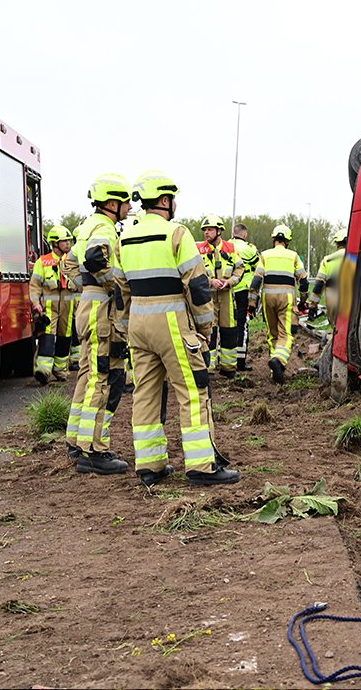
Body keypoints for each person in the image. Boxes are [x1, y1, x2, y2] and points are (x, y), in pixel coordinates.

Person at [121, 172, 238, 486]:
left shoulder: (126, 236)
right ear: (164, 200)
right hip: (171, 321)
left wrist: (125, 326)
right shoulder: (176, 233)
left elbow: (121, 287)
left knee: (145, 393)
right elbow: (198, 286)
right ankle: (202, 466)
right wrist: (205, 327)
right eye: (173, 198)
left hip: (138, 322)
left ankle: (149, 466)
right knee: (193, 390)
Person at [64, 174, 133, 475]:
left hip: (89, 305)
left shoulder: (85, 226)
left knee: (87, 374)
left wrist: (87, 287)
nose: (130, 207)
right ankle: (93, 451)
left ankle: (77, 441)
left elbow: (70, 263)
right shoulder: (103, 227)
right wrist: (114, 288)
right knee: (100, 376)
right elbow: (94, 259)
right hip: (101, 310)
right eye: (127, 201)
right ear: (112, 202)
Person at [249, 224, 307, 384]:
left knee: (272, 333)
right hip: (286, 298)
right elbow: (304, 281)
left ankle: (276, 369)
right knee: (286, 334)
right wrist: (302, 301)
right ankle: (279, 360)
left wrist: (252, 303)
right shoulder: (293, 256)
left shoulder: (265, 255)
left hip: (268, 298)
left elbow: (256, 281)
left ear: (274, 239)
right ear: (287, 241)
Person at [197, 215, 245, 378]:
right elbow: (195, 273)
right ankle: (207, 367)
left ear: (219, 231)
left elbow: (240, 268)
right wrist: (211, 282)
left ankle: (228, 368)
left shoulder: (230, 248)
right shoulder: (199, 250)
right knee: (208, 330)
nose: (206, 233)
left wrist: (230, 281)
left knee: (229, 330)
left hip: (226, 296)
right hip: (207, 297)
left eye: (210, 229)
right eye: (205, 230)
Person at [29, 225, 77, 385]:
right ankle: (43, 371)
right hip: (49, 307)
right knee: (48, 336)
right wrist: (36, 303)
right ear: (55, 243)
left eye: (69, 241)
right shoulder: (42, 262)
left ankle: (60, 370)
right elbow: (35, 285)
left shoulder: (72, 261)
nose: (68, 244)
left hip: (68, 307)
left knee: (65, 338)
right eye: (64, 241)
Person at [228, 223, 260, 372]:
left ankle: (226, 360)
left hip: (226, 291)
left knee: (226, 325)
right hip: (243, 292)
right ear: (245, 235)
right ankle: (240, 361)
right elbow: (258, 268)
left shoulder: (225, 246)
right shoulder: (249, 249)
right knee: (242, 325)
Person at [308, 229, 347, 327]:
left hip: (332, 296)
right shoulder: (357, 257)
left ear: (337, 243)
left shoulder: (327, 260)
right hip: (351, 295)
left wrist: (313, 306)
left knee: (335, 327)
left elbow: (319, 285)